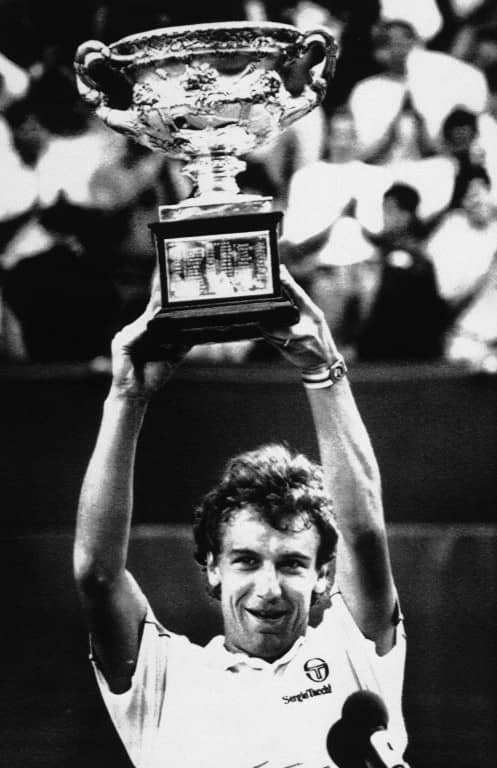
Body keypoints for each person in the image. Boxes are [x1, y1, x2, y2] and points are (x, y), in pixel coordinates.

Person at [74, 267, 407, 768]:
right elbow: (97, 575)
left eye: (293, 563)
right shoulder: (165, 675)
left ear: (322, 575)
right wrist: (127, 396)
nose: (269, 588)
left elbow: (362, 537)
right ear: (212, 566)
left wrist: (323, 368)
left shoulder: (352, 652)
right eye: (246, 560)